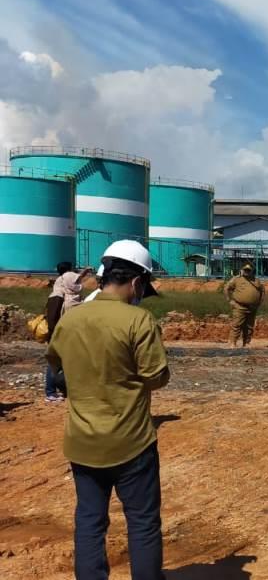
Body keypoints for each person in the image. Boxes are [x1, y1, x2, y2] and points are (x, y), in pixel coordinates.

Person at [46, 240, 169, 579]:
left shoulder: (71, 320)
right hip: (132, 443)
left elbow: (56, 369)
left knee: (89, 521)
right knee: (143, 522)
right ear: (136, 282)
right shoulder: (139, 321)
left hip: (83, 442)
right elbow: (156, 377)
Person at [44, 262, 93, 402]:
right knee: (57, 361)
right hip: (62, 332)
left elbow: (75, 278)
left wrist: (84, 272)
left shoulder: (62, 287)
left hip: (66, 332)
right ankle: (51, 392)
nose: (78, 280)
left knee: (61, 361)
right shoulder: (64, 297)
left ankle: (59, 390)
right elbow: (54, 317)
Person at [224, 263, 264, 347]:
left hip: (252, 307)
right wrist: (230, 300)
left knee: (249, 326)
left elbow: (262, 290)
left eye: (248, 270)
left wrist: (259, 302)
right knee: (237, 325)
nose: (247, 272)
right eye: (245, 270)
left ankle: (246, 343)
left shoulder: (256, 280)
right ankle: (232, 343)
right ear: (242, 270)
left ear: (251, 271)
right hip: (239, 306)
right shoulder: (237, 279)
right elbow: (226, 288)